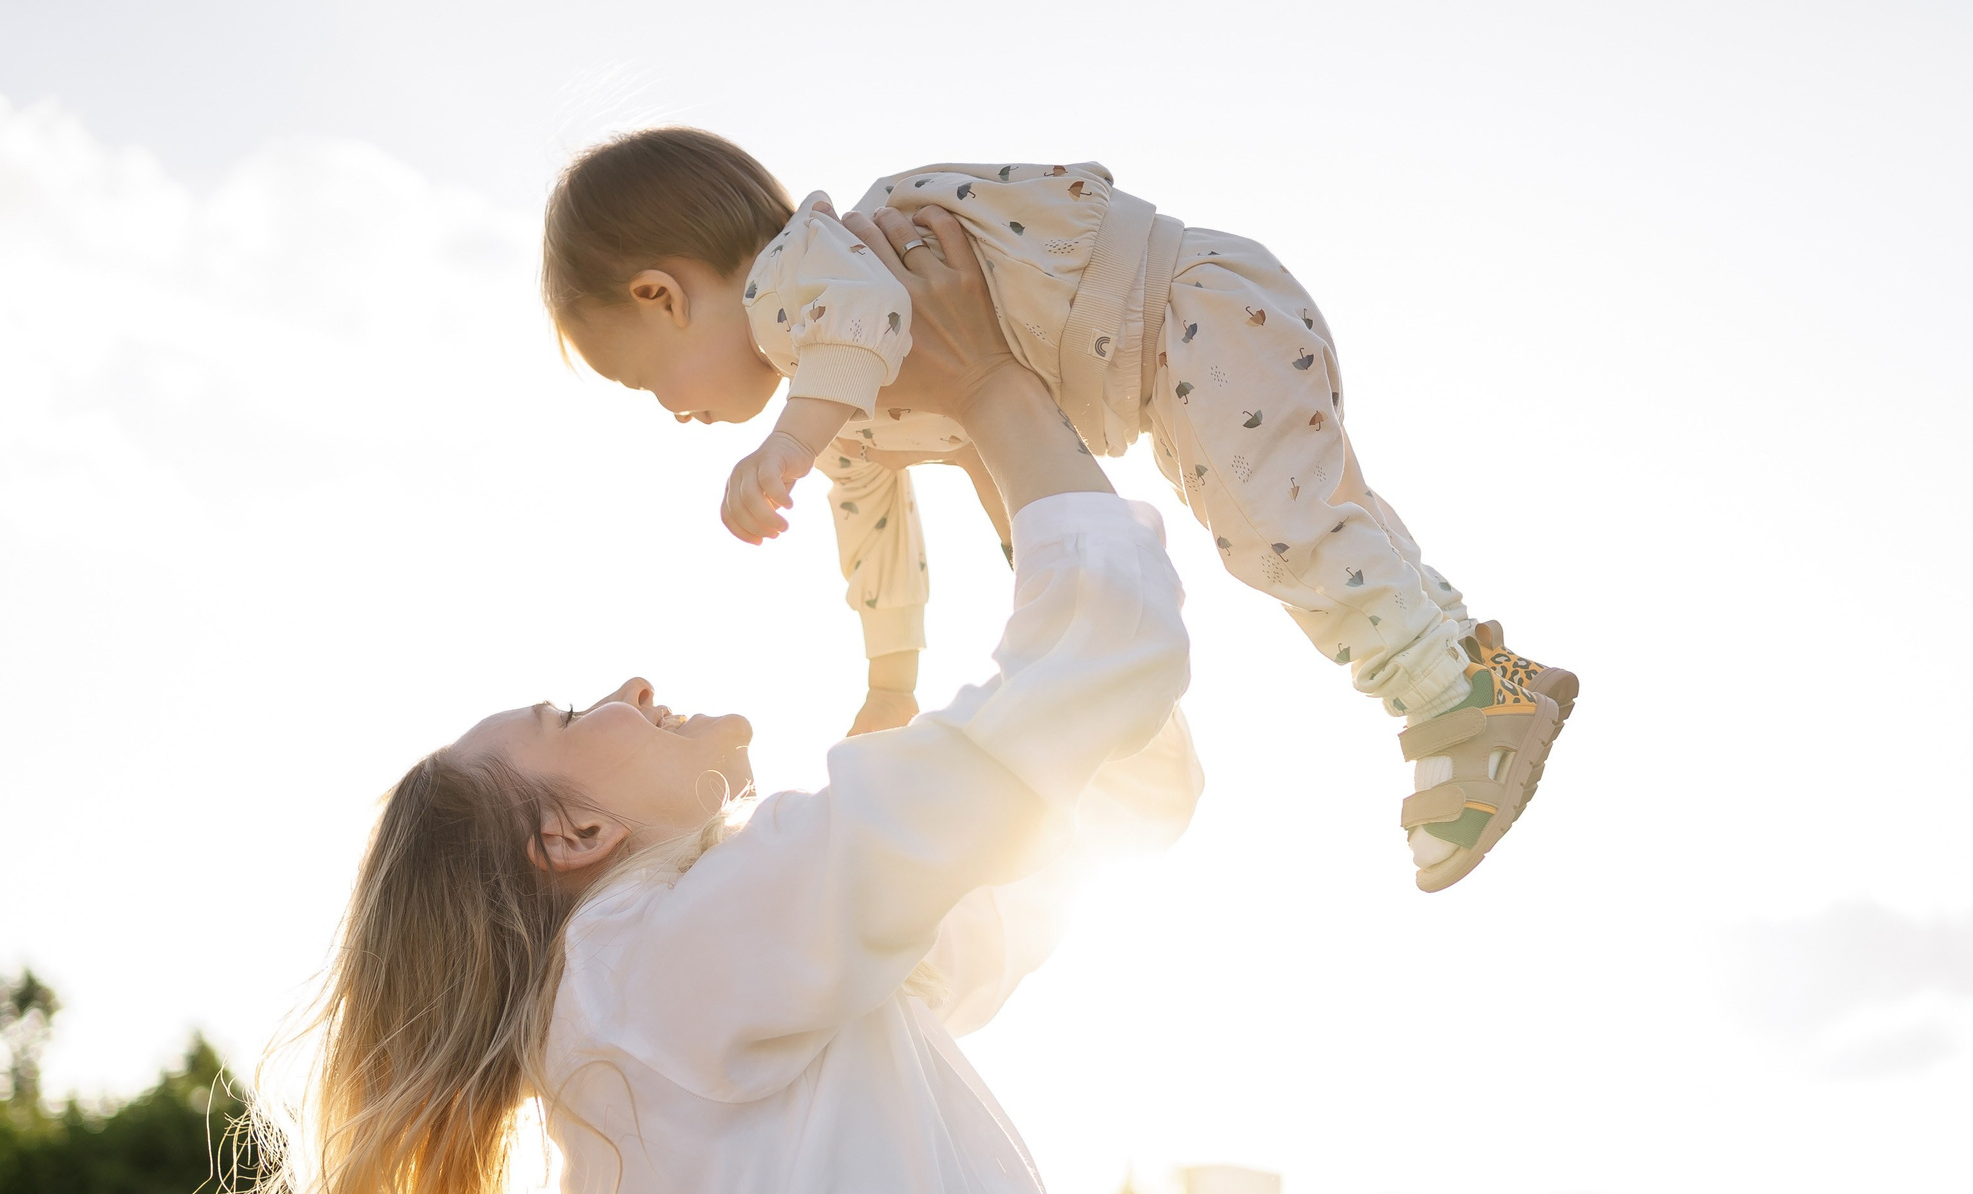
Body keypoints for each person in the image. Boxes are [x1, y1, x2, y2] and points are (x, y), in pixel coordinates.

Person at [224, 203, 1200, 1194]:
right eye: (567, 716)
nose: (626, 683)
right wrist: (999, 395)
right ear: (568, 842)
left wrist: (1005, 466)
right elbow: (1101, 661)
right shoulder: (673, 967)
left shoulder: (737, 981)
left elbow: (1122, 787)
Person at [544, 127, 1578, 892]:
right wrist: (889, 678)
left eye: (649, 386)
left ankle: (1452, 703)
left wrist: (784, 443)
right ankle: (1478, 672)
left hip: (1187, 309)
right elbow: (872, 534)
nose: (675, 413)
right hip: (1179, 346)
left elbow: (862, 323)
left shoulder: (807, 274)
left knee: (1281, 536)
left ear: (661, 297)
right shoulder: (836, 397)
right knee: (1313, 524)